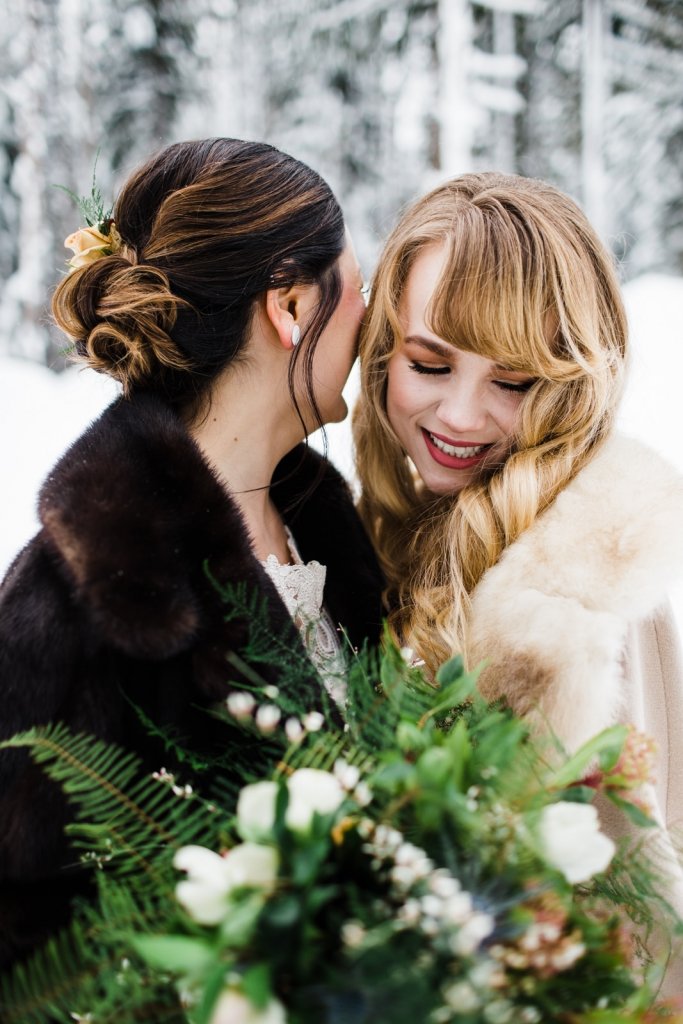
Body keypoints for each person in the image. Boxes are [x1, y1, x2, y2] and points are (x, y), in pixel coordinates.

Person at [0, 138, 383, 969]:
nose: (371, 313)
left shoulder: (331, 536)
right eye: (357, 281)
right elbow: (31, 943)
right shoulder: (78, 589)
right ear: (289, 306)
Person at [353, 171, 683, 987]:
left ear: (575, 382)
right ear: (383, 353)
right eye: (430, 365)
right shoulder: (374, 529)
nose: (462, 417)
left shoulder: (585, 585)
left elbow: (635, 939)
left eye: (513, 382)